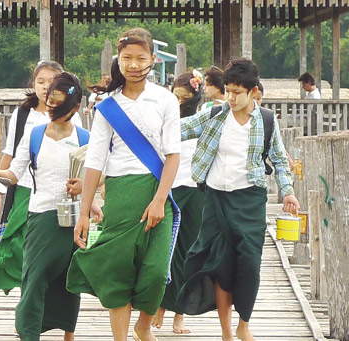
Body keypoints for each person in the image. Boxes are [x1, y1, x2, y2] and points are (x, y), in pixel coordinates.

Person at [66, 28, 181, 341]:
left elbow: (173, 156)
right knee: (119, 271)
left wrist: (159, 200)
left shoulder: (166, 100)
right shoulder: (107, 107)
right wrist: (84, 211)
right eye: (126, 58)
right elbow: (95, 161)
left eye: (140, 58)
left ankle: (143, 324)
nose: (133, 64)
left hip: (156, 192)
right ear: (118, 61)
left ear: (153, 60)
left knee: (156, 272)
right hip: (119, 194)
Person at [177, 58, 300, 341]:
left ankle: (244, 323)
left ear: (253, 91)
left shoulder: (267, 120)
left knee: (249, 263)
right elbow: (180, 129)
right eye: (228, 90)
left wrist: (288, 190)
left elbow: (280, 159)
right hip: (216, 198)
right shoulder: (214, 115)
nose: (230, 98)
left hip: (250, 200)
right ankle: (226, 332)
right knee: (220, 264)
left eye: (237, 92)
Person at [0, 72, 102, 340]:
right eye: (50, 104)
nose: (53, 111)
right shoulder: (35, 135)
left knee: (69, 279)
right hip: (40, 216)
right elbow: (13, 173)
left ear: (75, 107)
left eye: (59, 106)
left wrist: (85, 189)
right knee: (33, 279)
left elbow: (101, 174)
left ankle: (68, 334)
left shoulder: (86, 138)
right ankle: (29, 333)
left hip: (72, 219)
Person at [0, 61, 82, 295]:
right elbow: (9, 155)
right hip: (23, 190)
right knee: (18, 245)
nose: (45, 88)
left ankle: (42, 291)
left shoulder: (73, 118)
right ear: (33, 84)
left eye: (51, 83)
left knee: (52, 250)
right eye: (40, 82)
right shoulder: (22, 115)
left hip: (57, 195)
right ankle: (27, 290)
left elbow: (83, 159)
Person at [152, 72, 205, 335]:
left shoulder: (203, 118)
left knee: (188, 250)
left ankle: (179, 313)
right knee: (164, 248)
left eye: (185, 95)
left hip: (194, 188)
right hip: (167, 187)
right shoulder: (164, 117)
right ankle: (160, 303)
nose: (179, 99)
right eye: (176, 93)